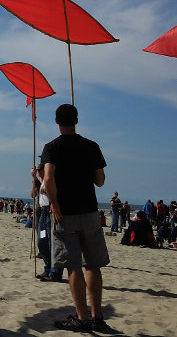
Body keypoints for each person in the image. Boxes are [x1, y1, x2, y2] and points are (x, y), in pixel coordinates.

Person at [41, 104, 112, 333]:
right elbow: (100, 181)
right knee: (93, 265)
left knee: (74, 267)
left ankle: (82, 317)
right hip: (90, 211)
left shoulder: (51, 147)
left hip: (66, 214)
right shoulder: (91, 146)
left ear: (56, 122)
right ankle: (97, 316)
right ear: (77, 120)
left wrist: (55, 204)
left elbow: (49, 178)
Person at [31, 165, 64, 283]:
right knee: (42, 242)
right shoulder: (42, 180)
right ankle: (48, 267)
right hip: (43, 213)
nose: (39, 172)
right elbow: (33, 194)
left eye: (40, 170)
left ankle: (55, 272)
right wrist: (34, 178)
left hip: (50, 212)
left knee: (53, 243)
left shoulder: (53, 178)